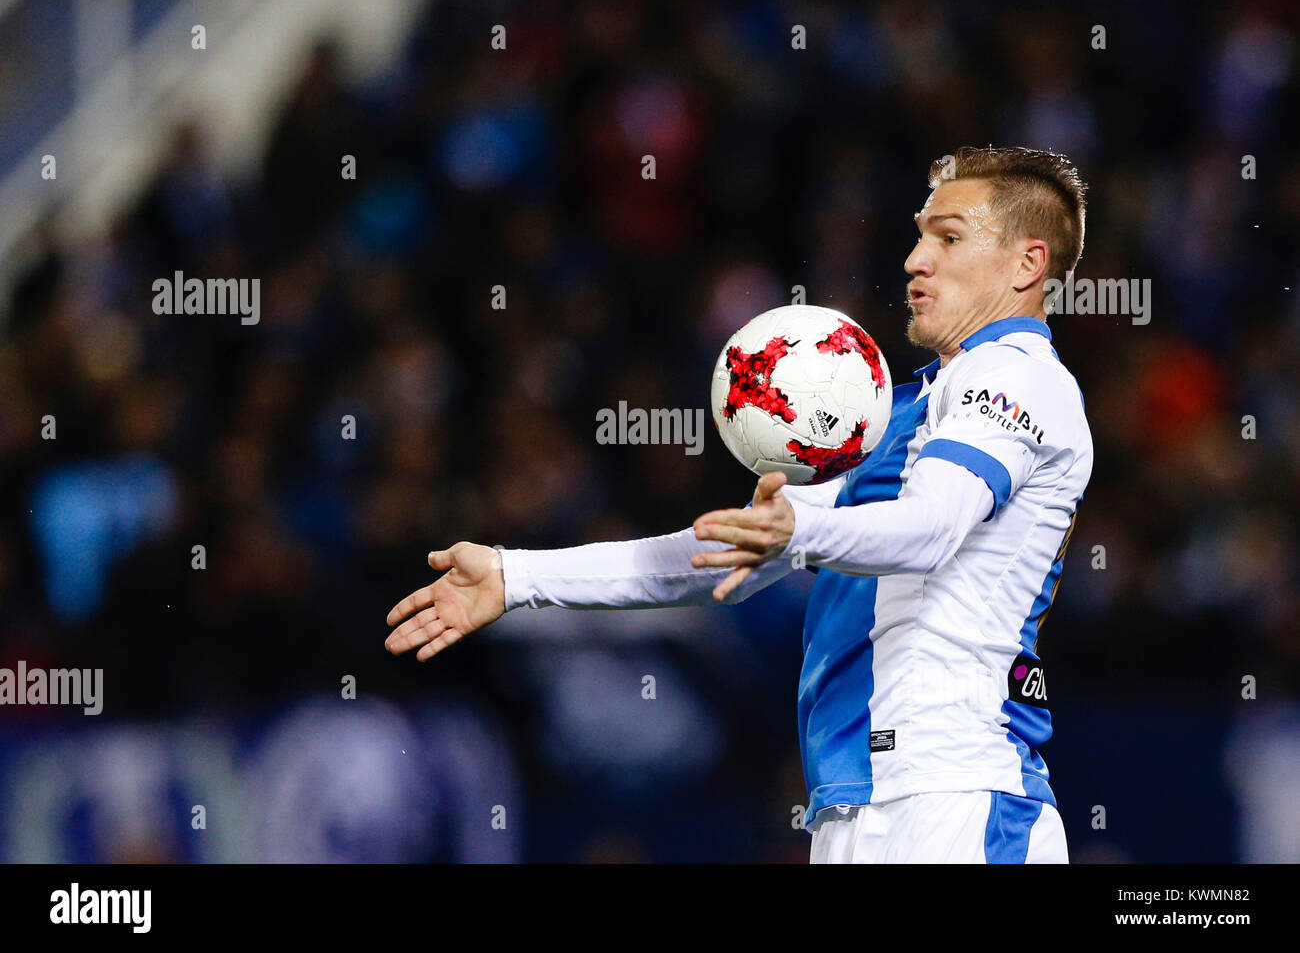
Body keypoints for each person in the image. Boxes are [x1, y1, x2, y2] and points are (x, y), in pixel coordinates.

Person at [385, 145, 1093, 863]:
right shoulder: (905, 415)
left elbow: (930, 529)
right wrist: (517, 577)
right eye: (918, 234)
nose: (914, 260)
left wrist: (802, 526)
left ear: (1026, 264)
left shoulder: (1020, 376)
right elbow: (713, 559)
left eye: (947, 237)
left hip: (955, 800)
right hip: (870, 804)